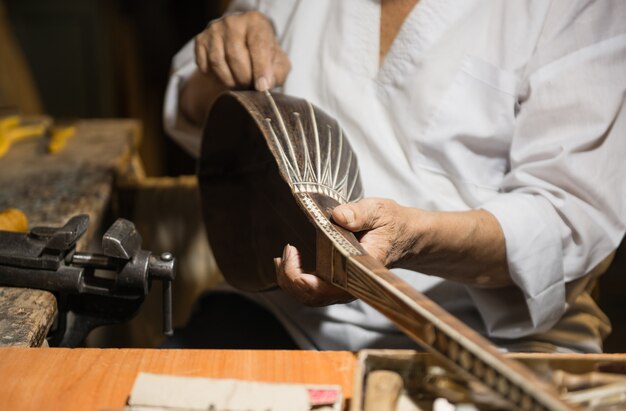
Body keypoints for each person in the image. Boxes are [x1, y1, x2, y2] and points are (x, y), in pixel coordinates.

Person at [164, 0, 626, 353]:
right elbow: (194, 112)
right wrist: (224, 64)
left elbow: (570, 218)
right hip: (283, 316)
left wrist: (412, 238)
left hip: (482, 339)